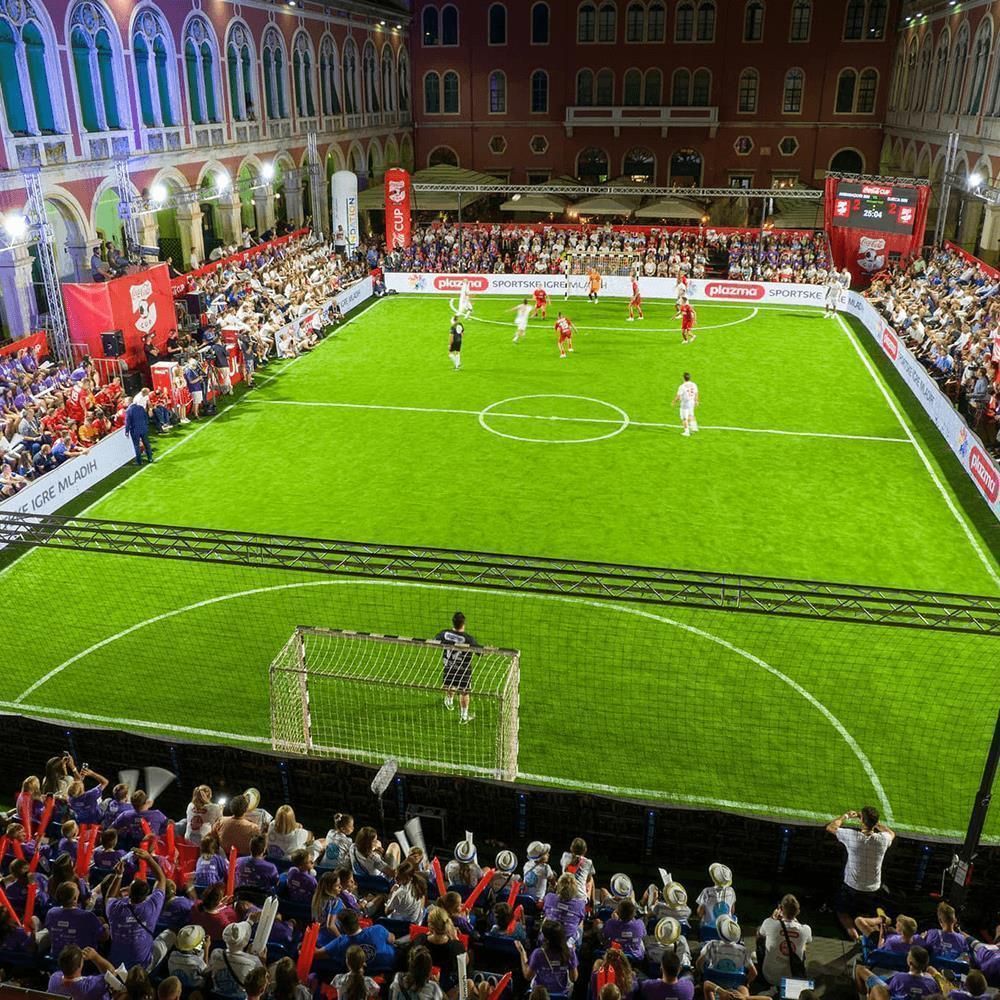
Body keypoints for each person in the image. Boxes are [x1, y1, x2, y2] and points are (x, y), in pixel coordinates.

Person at [826, 807, 895, 939]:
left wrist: (846, 816)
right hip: (872, 889)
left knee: (842, 912)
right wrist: (876, 824)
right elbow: (891, 833)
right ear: (875, 822)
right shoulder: (883, 840)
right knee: (865, 915)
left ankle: (855, 938)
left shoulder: (852, 836)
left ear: (862, 821)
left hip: (851, 886)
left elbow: (831, 827)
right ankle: (874, 936)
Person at [106, 851, 176, 971]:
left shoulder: (115, 908)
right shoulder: (151, 907)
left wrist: (119, 875)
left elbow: (109, 897)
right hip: (143, 966)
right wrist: (149, 858)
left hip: (117, 965)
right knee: (170, 933)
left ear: (128, 893)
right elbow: (161, 879)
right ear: (146, 896)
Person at [756, 894, 811, 987]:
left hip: (769, 976)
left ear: (780, 909)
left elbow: (760, 934)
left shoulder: (769, 923)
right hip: (793, 977)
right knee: (803, 944)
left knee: (760, 933)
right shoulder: (806, 929)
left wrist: (772, 918)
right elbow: (808, 941)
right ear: (798, 911)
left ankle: (760, 967)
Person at [435, 611, 479, 724]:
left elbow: (434, 640)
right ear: (463, 624)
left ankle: (449, 701)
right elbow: (480, 652)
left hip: (448, 666)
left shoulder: (444, 634)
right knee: (464, 692)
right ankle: (464, 716)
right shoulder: (468, 639)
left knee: (450, 684)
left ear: (453, 623)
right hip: (463, 670)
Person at [516, 919, 578, 995]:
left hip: (540, 994)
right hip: (561, 994)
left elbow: (528, 976)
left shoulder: (538, 954)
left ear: (546, 939)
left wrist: (522, 953)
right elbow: (574, 978)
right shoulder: (569, 952)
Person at [853, 945, 939, 1000]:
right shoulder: (932, 983)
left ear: (910, 963)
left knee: (860, 969)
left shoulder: (900, 978)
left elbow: (888, 991)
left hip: (890, 992)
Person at [208, 921, 264, 1000]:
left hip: (216, 997)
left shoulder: (216, 953)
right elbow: (261, 982)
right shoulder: (253, 961)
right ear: (245, 940)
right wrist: (262, 961)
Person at [696, 916, 756, 984]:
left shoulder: (712, 945)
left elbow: (699, 963)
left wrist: (703, 974)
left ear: (720, 931)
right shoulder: (743, 951)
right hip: (734, 984)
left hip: (713, 983)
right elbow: (754, 973)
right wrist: (745, 982)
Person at [48, 945, 119, 1000]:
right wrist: (96, 957)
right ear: (80, 966)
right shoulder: (90, 986)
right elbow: (112, 974)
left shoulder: (54, 979)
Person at [124, 390, 153, 466]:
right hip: (143, 428)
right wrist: (146, 425)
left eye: (125, 402)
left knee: (136, 445)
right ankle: (150, 458)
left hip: (135, 430)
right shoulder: (140, 407)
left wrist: (126, 431)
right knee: (146, 443)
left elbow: (127, 422)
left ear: (128, 402)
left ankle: (139, 461)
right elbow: (145, 417)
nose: (125, 403)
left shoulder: (128, 410)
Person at [673, 372, 699, 438]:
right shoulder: (694, 384)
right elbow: (696, 393)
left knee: (684, 418)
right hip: (692, 402)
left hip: (685, 404)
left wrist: (674, 401)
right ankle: (694, 427)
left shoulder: (682, 386)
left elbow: (678, 396)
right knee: (691, 414)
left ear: (683, 378)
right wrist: (696, 401)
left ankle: (687, 432)